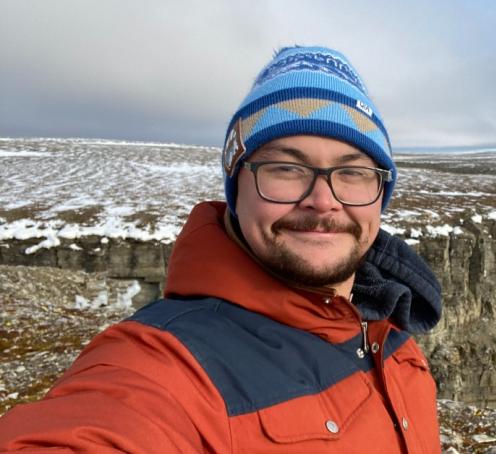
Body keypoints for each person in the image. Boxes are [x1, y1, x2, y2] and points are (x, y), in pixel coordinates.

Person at [0, 46, 442, 453]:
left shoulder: (392, 332)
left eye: (352, 173)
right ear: (236, 187)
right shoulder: (169, 364)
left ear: (381, 191)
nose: (323, 200)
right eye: (286, 168)